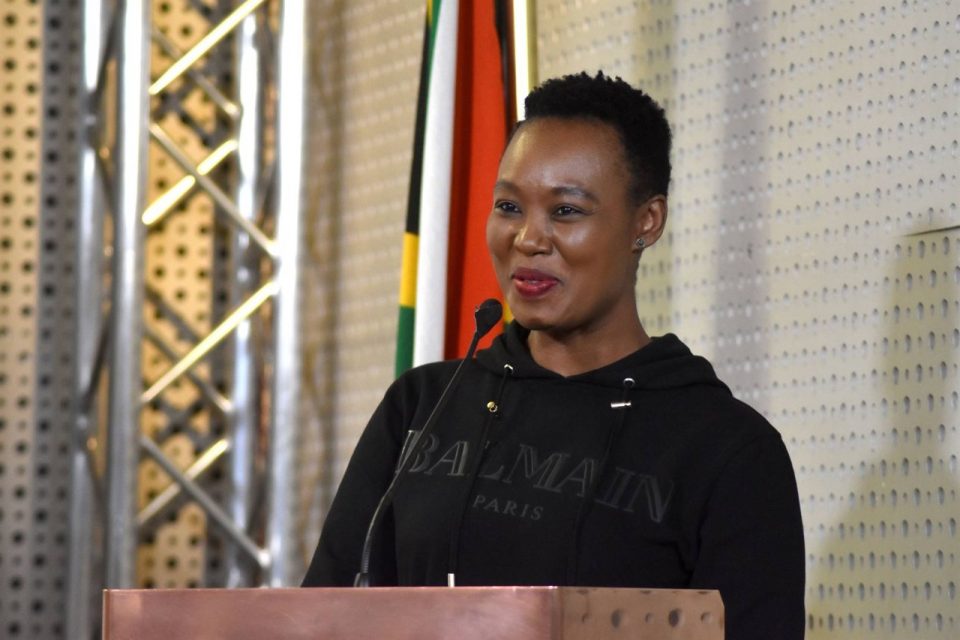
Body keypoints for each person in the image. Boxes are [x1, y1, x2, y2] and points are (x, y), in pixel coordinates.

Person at [302, 71, 805, 640]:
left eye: (565, 211)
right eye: (509, 206)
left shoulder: (727, 449)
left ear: (647, 221)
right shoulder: (423, 406)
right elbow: (324, 615)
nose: (528, 239)